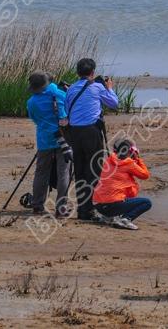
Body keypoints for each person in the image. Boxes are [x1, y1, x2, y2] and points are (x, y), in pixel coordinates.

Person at [64, 58, 119, 222]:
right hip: (91, 132)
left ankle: (83, 209)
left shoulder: (71, 89)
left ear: (77, 73)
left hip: (75, 133)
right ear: (93, 73)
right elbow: (114, 104)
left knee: (80, 170)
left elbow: (67, 110)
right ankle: (89, 209)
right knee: (94, 169)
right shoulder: (98, 87)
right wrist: (110, 89)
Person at [26, 72, 73, 218]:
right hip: (62, 137)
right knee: (63, 173)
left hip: (44, 139)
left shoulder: (31, 102)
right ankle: (61, 208)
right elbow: (68, 112)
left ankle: (37, 206)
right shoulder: (59, 94)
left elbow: (34, 119)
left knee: (41, 173)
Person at [92, 138, 152, 230]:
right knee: (146, 202)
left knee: (119, 193)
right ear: (129, 151)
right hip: (112, 206)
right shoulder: (129, 164)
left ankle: (108, 217)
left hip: (99, 206)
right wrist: (138, 159)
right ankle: (126, 219)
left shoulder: (108, 160)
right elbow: (145, 175)